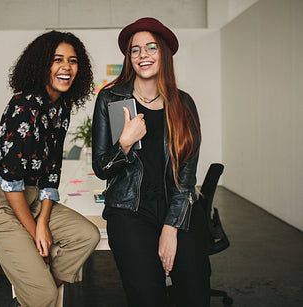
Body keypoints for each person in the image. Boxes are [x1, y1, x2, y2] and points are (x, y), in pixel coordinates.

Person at [0, 30, 100, 307]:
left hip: (31, 200)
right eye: (57, 60)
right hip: (1, 205)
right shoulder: (23, 105)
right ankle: (39, 294)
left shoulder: (61, 109)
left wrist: (43, 222)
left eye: (73, 60)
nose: (66, 67)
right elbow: (10, 182)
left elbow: (51, 174)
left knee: (86, 236)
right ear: (42, 64)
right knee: (44, 293)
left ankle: (31, 297)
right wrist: (35, 234)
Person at [92, 17, 209, 306]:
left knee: (195, 293)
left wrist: (170, 228)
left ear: (164, 54)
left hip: (177, 208)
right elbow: (101, 168)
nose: (143, 55)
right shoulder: (110, 99)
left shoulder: (184, 104)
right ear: (129, 58)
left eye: (151, 47)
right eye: (135, 50)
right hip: (130, 211)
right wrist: (125, 143)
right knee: (147, 297)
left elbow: (186, 177)